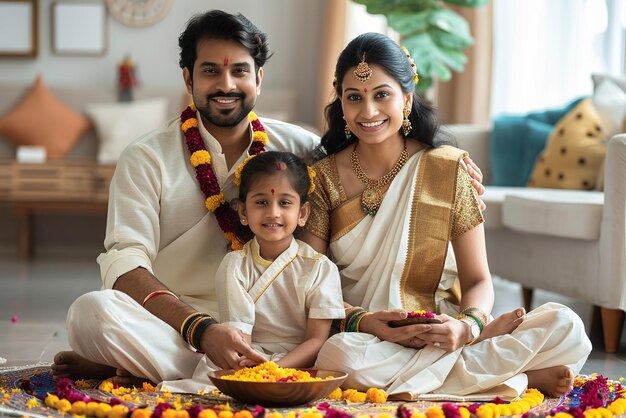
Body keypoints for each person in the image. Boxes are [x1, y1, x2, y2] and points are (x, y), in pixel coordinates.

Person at [51, 10, 485, 391]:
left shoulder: (299, 147)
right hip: (179, 326)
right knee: (93, 312)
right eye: (210, 72)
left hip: (285, 329)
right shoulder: (146, 158)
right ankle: (185, 362)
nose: (226, 84)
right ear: (188, 78)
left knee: (336, 350)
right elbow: (124, 264)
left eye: (240, 71)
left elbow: (368, 162)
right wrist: (202, 329)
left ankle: (152, 369)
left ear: (259, 78)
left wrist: (446, 170)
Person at [300, 32, 592, 400]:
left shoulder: (447, 169)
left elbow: (478, 278)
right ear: (341, 104)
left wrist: (467, 327)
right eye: (354, 97)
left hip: (440, 327)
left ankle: (471, 358)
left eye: (382, 95)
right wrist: (363, 320)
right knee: (339, 356)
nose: (368, 111)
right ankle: (520, 375)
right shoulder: (321, 177)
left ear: (406, 100)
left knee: (567, 326)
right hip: (364, 334)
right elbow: (312, 282)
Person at [215, 151, 344, 369]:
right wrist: (256, 366)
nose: (273, 212)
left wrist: (278, 369)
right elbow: (239, 338)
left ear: (302, 213)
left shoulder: (319, 267)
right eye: (262, 202)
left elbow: (316, 340)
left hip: (302, 361)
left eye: (284, 203)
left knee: (346, 349)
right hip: (248, 357)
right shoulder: (234, 265)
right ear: (243, 211)